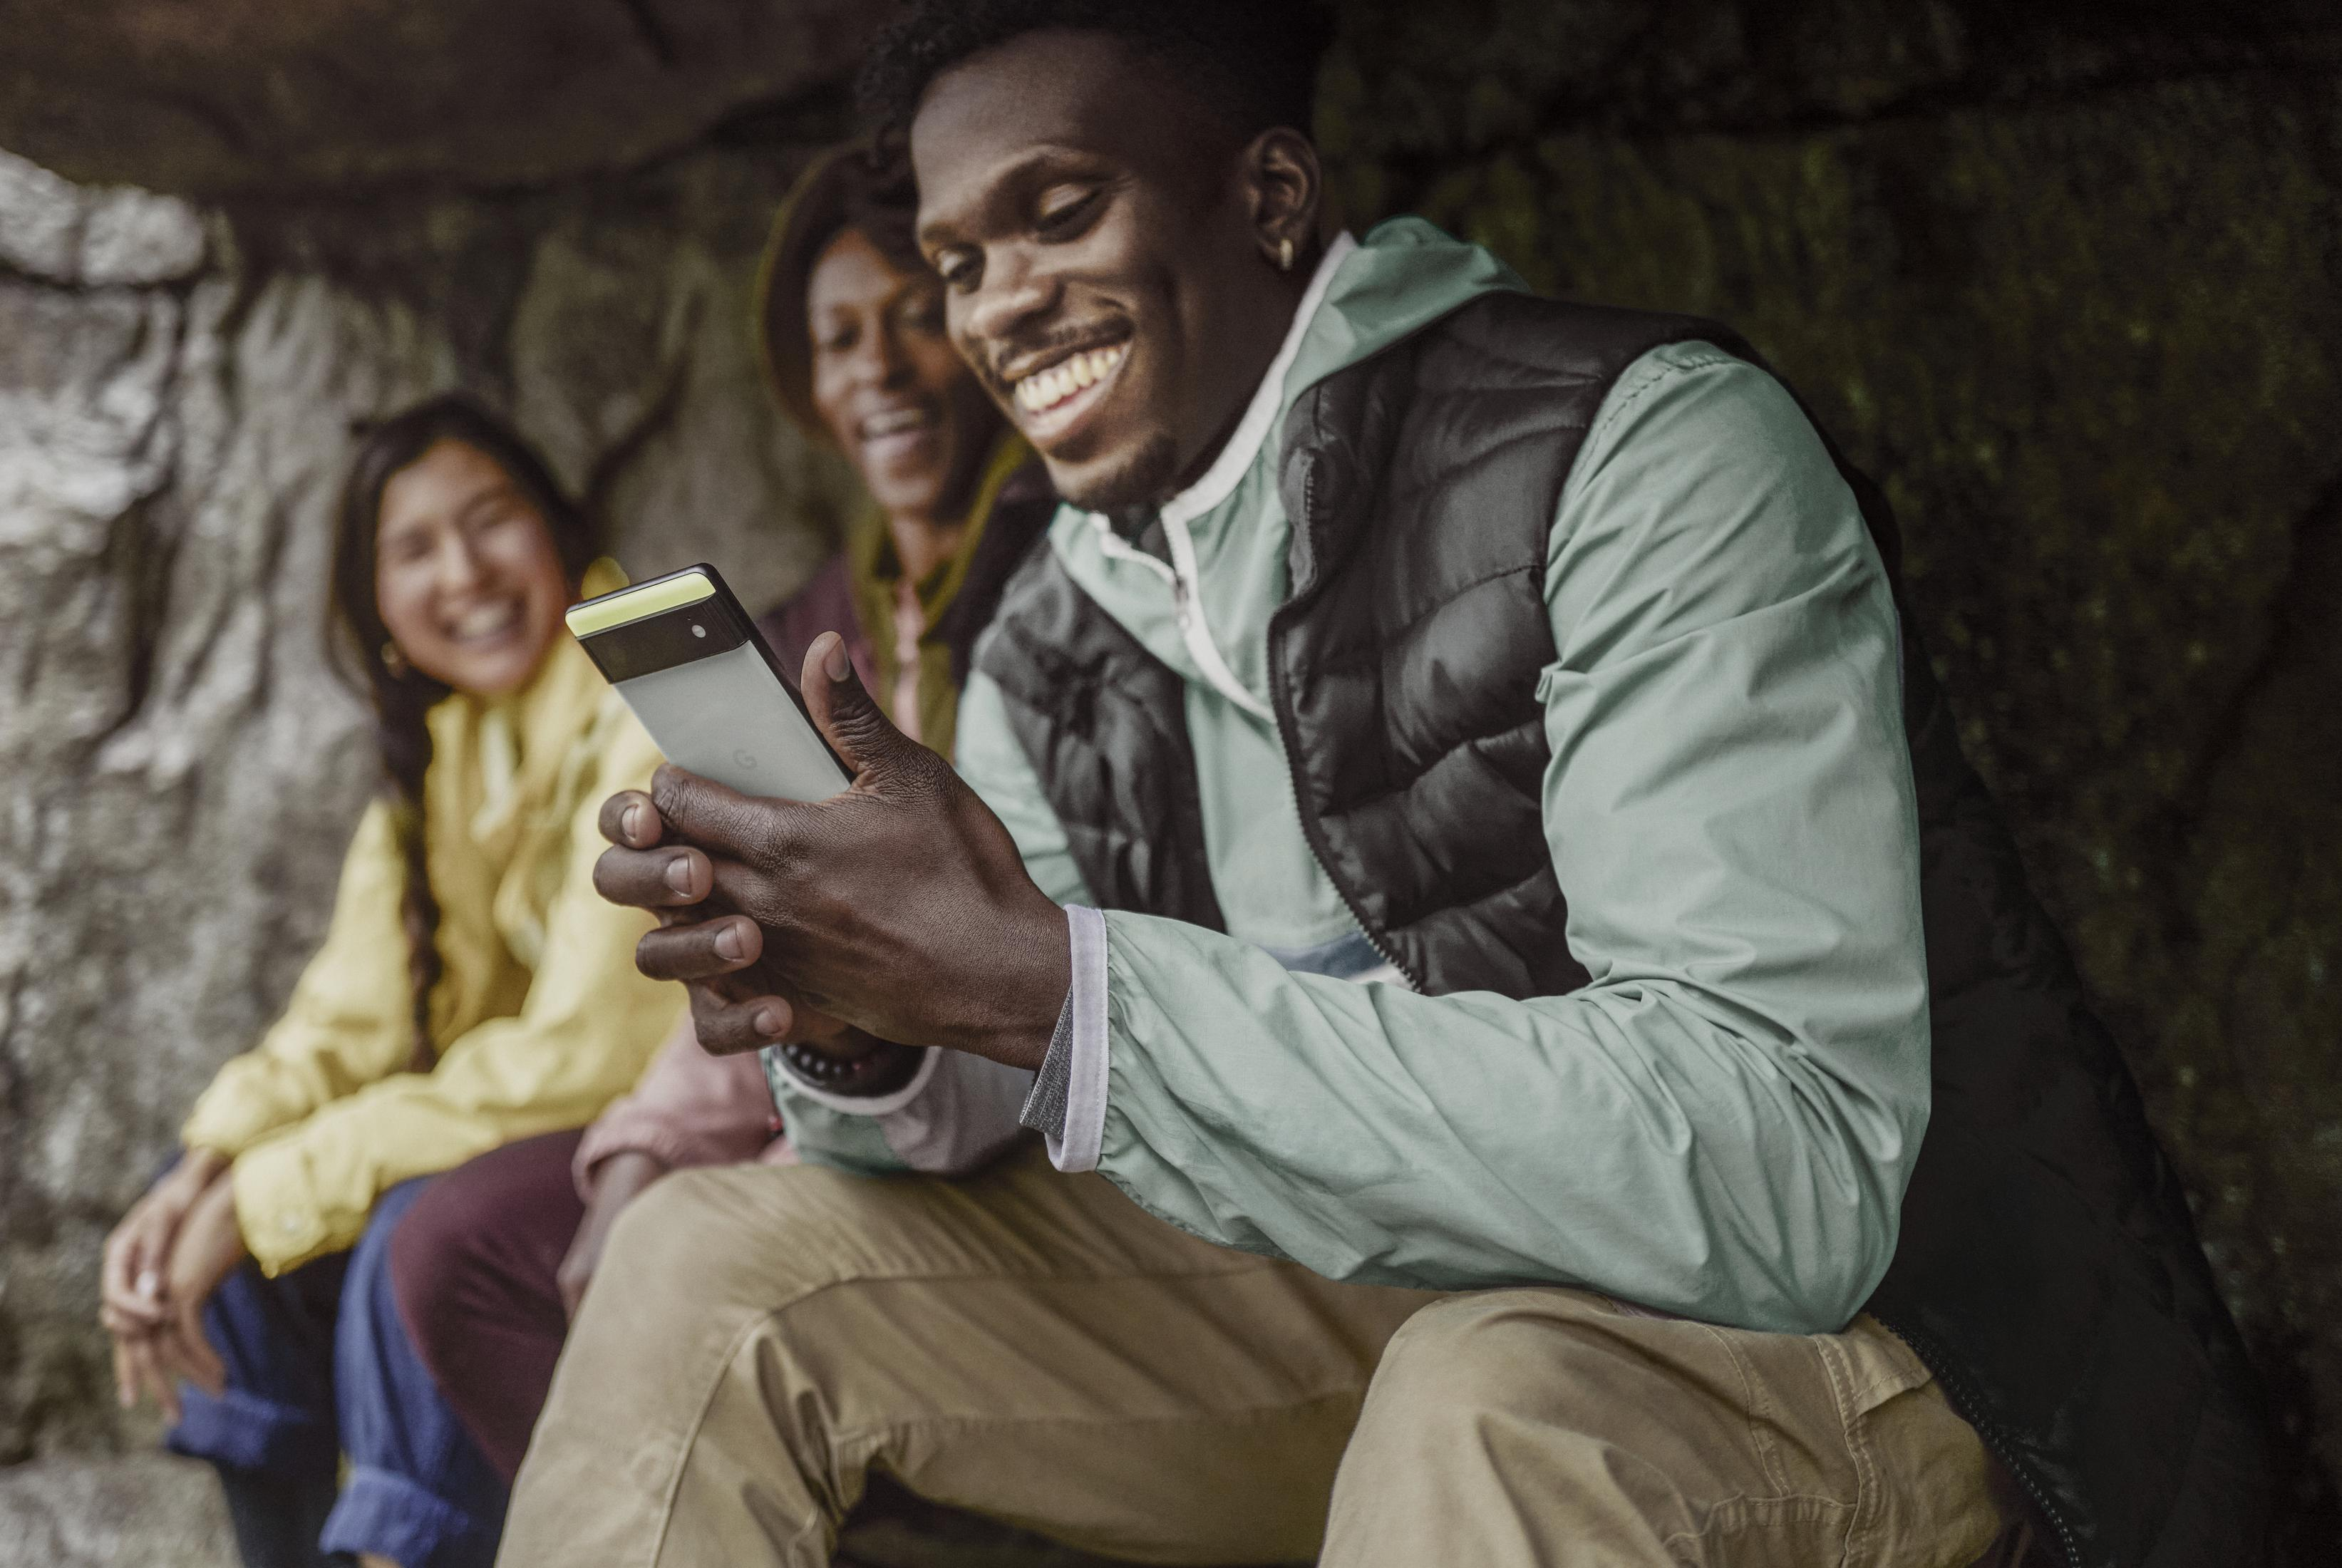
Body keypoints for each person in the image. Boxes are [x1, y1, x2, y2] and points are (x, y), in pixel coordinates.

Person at [502, 4, 2271, 1566]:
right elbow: (1012, 1071)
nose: (997, 305)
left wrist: (1056, 979)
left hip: (1869, 1334)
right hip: (1368, 1298)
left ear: (1270, 196)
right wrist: (868, 1019)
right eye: (958, 259)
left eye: (1057, 212)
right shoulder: (1054, 614)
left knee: (1492, 1392)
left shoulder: (1643, 446)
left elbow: (1784, 1168)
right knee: (704, 1259)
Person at [385, 141, 1057, 1486]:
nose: (877, 367)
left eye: (915, 316)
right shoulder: (822, 618)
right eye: (837, 338)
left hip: (1001, 1092)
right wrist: (647, 1144)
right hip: (806, 1082)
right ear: (805, 386)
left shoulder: (1065, 580)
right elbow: (759, 918)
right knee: (451, 1247)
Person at [98, 396, 682, 1568]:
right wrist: (211, 1167)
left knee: (407, 1225)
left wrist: (272, 1192)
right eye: (412, 551)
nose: (463, 571)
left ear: (560, 530)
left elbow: (587, 1057)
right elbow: (345, 1018)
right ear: (376, 612)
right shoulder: (452, 743)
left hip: (667, 1150)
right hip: (539, 1134)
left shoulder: (645, 705)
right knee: (228, 1224)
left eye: (489, 522)